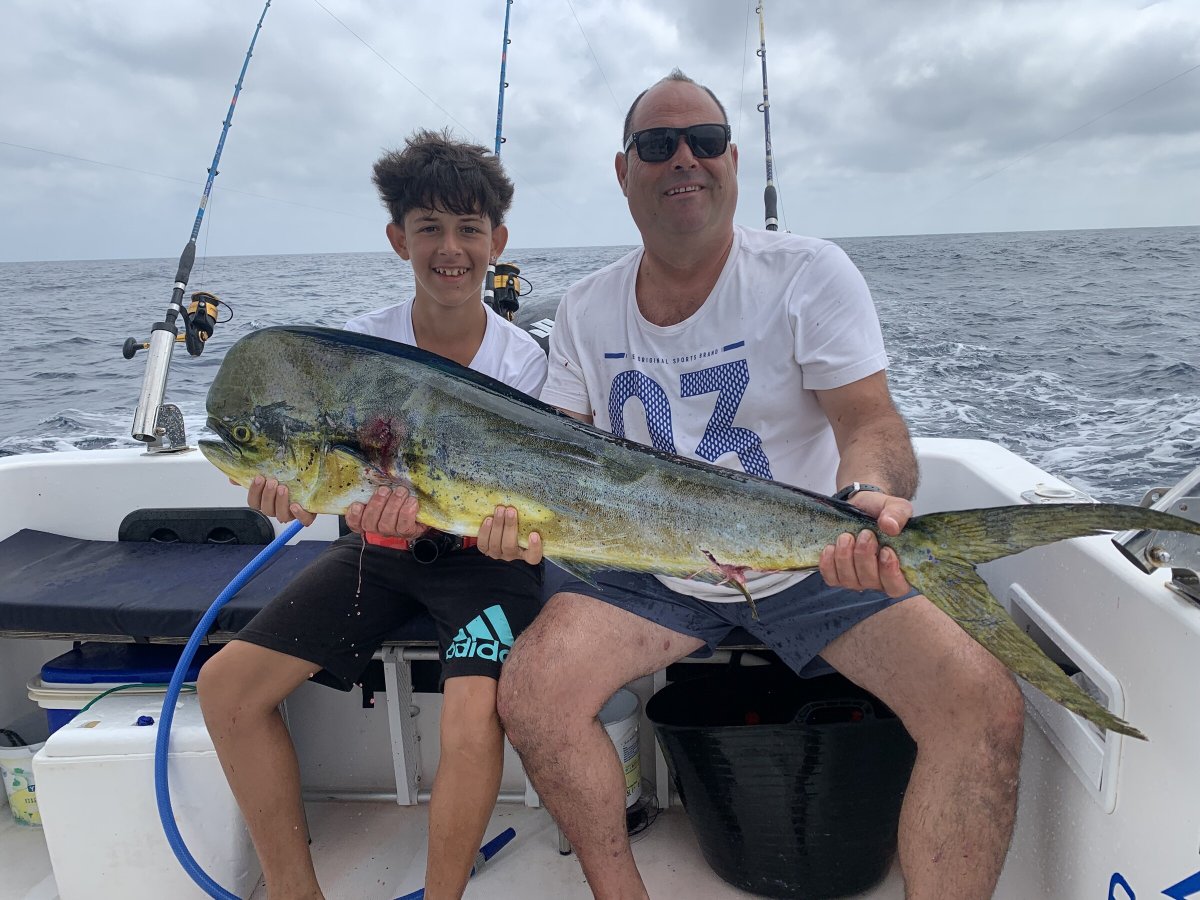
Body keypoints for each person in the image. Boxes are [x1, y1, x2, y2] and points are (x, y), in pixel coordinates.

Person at [477, 71, 1024, 900]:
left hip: (812, 561)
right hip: (652, 568)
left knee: (983, 705)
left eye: (705, 140)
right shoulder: (585, 308)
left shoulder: (809, 271)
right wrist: (507, 522)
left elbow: (868, 420)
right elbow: (552, 460)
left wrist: (865, 493)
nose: (683, 158)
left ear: (733, 161)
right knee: (532, 692)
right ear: (623, 171)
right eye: (657, 144)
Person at [197, 129, 548, 900]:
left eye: (468, 229)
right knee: (225, 687)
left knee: (470, 716)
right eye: (429, 228)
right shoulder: (362, 347)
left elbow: (523, 512)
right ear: (398, 239)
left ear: (497, 242)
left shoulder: (520, 361)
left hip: (484, 567)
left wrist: (513, 538)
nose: (449, 249)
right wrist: (300, 497)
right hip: (381, 555)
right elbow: (335, 474)